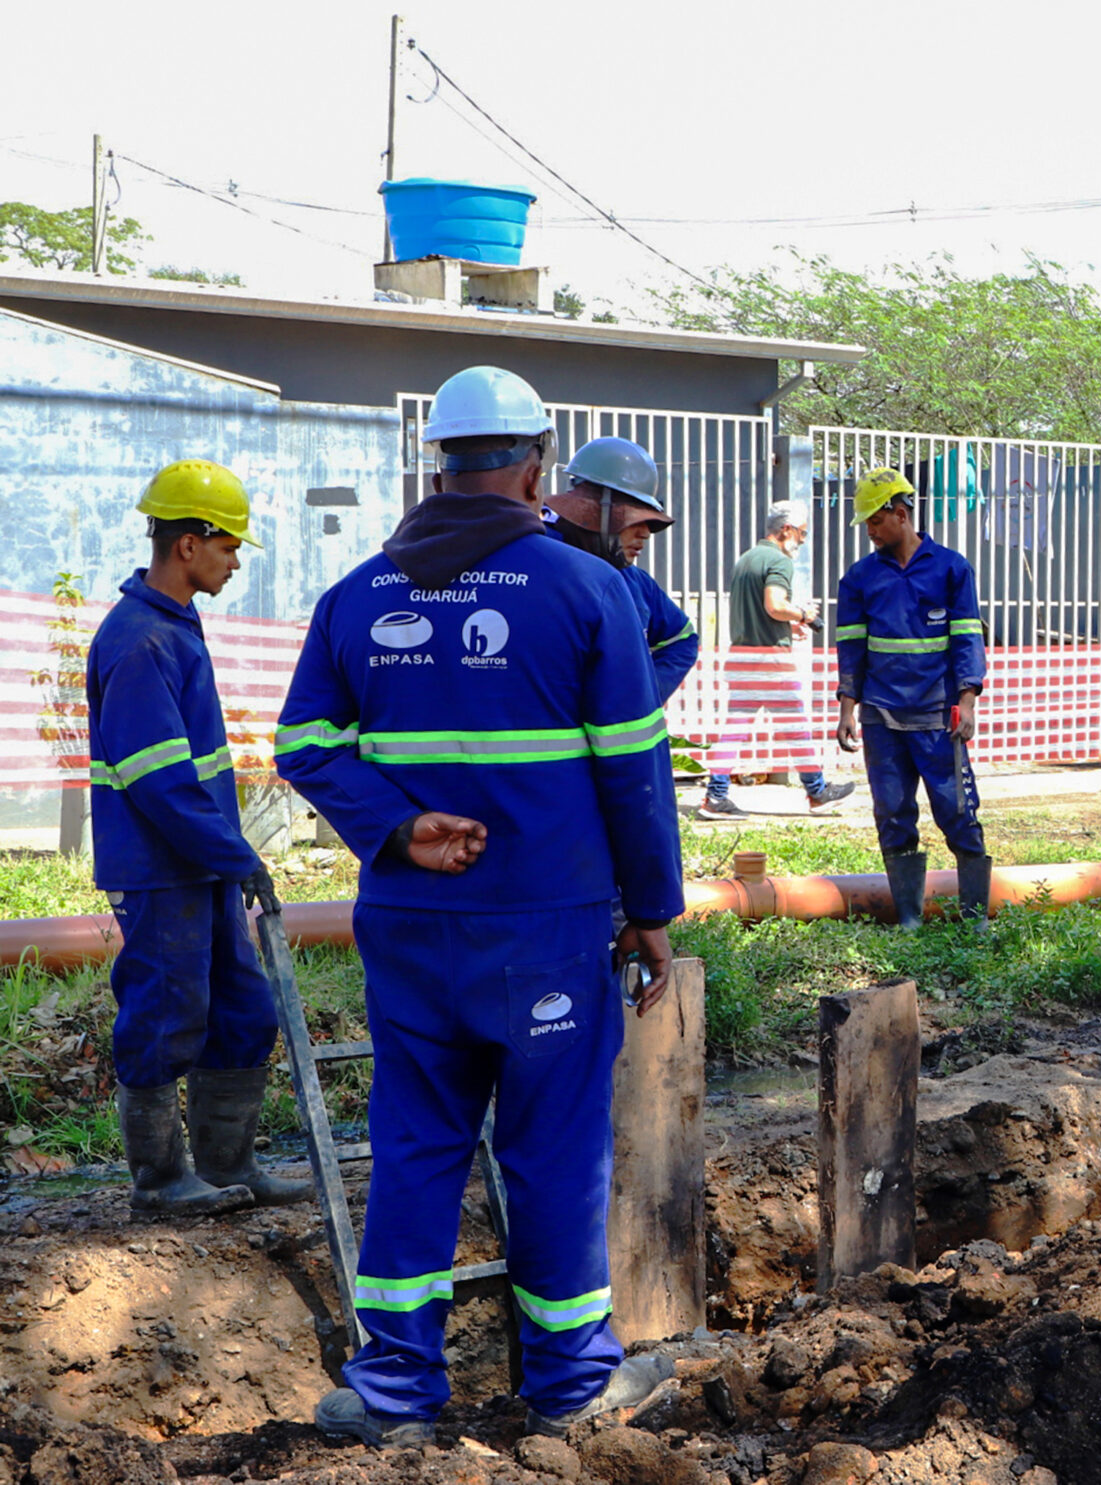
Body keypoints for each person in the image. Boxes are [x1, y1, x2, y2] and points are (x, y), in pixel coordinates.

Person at [278, 365, 682, 1447]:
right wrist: (651, 909)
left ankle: (397, 1389)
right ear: (538, 465)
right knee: (551, 1151)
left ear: (437, 462)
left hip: (410, 924)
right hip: (545, 927)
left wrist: (397, 827)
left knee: (415, 1143)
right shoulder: (588, 590)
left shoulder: (358, 595)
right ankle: (570, 1388)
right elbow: (635, 774)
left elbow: (305, 745)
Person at [87, 460, 309, 1218]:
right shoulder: (140, 639)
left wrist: (226, 852)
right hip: (160, 869)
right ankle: (157, 1181)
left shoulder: (174, 627)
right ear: (188, 544)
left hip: (199, 862)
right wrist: (235, 852)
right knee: (163, 1008)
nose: (235, 561)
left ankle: (227, 1163)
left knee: (243, 1005)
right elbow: (157, 779)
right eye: (228, 546)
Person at [832, 470, 991, 927]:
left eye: (875, 521)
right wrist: (848, 707)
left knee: (958, 811)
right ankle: (909, 919)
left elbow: (967, 639)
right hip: (882, 717)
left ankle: (975, 918)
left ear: (900, 515)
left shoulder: (951, 568)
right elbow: (851, 647)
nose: (870, 531)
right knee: (893, 814)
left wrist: (968, 701)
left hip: (939, 716)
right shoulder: (859, 578)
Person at [699, 500, 858, 819]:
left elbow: (760, 612)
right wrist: (804, 615)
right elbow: (773, 604)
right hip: (770, 664)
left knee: (735, 730)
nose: (802, 540)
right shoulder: (778, 561)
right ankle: (817, 792)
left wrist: (787, 627)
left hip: (744, 658)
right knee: (796, 728)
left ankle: (715, 796)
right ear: (785, 530)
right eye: (801, 533)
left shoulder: (747, 559)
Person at [544, 436, 699, 704]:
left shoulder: (634, 581)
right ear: (593, 511)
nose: (646, 534)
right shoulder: (537, 565)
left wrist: (641, 699)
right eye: (635, 519)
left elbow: (682, 639)